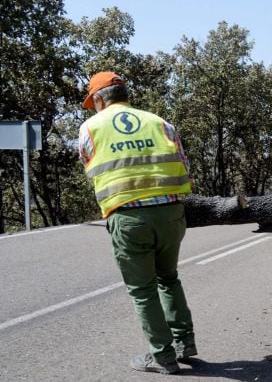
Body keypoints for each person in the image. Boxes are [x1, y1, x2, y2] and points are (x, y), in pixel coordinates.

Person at [78, 72, 196, 374]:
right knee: (168, 278)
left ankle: (162, 357)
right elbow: (182, 163)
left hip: (128, 217)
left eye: (94, 102)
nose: (93, 108)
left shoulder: (90, 128)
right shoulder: (160, 123)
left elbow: (90, 166)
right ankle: (184, 343)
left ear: (102, 99)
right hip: (171, 214)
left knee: (143, 290)